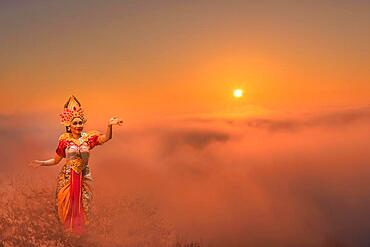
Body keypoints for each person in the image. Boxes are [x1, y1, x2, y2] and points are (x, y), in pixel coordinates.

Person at [29, 95, 123, 235]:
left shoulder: (88, 138)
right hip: (68, 178)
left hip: (84, 176)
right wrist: (42, 163)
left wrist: (109, 125)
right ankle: (67, 235)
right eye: (75, 123)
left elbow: (106, 138)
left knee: (84, 206)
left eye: (80, 123)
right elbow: (56, 160)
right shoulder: (64, 141)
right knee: (66, 207)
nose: (79, 126)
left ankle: (81, 235)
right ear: (69, 125)